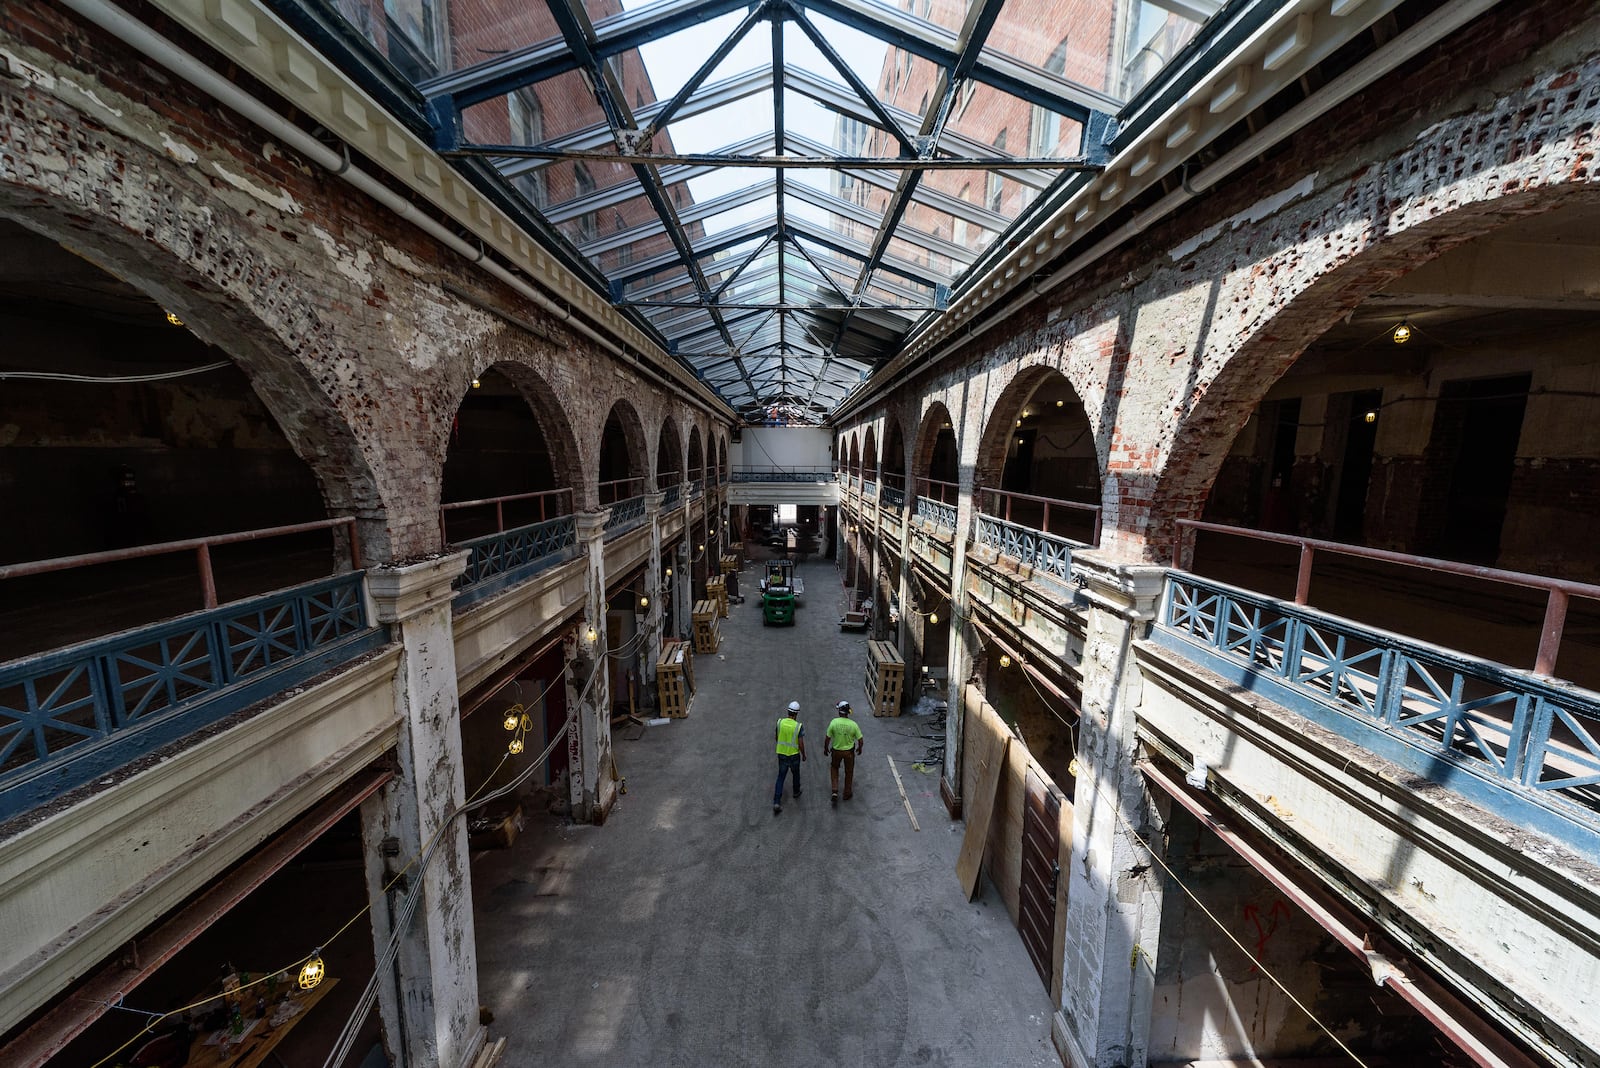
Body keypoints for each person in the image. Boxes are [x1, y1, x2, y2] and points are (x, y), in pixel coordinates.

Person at [824, 700, 864, 807]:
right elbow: (860, 740)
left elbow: (827, 738)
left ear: (839, 712)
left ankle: (835, 790)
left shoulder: (834, 722)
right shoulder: (853, 725)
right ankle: (847, 793)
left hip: (836, 752)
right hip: (849, 753)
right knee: (849, 772)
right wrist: (860, 749)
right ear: (847, 712)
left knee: (834, 768)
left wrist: (825, 748)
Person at [773, 700, 806, 815]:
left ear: (787, 711)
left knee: (781, 777)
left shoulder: (779, 722)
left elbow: (777, 737)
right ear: (796, 714)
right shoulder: (798, 726)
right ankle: (796, 791)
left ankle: (776, 802)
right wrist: (804, 754)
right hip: (793, 755)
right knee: (796, 774)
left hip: (782, 754)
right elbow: (801, 743)